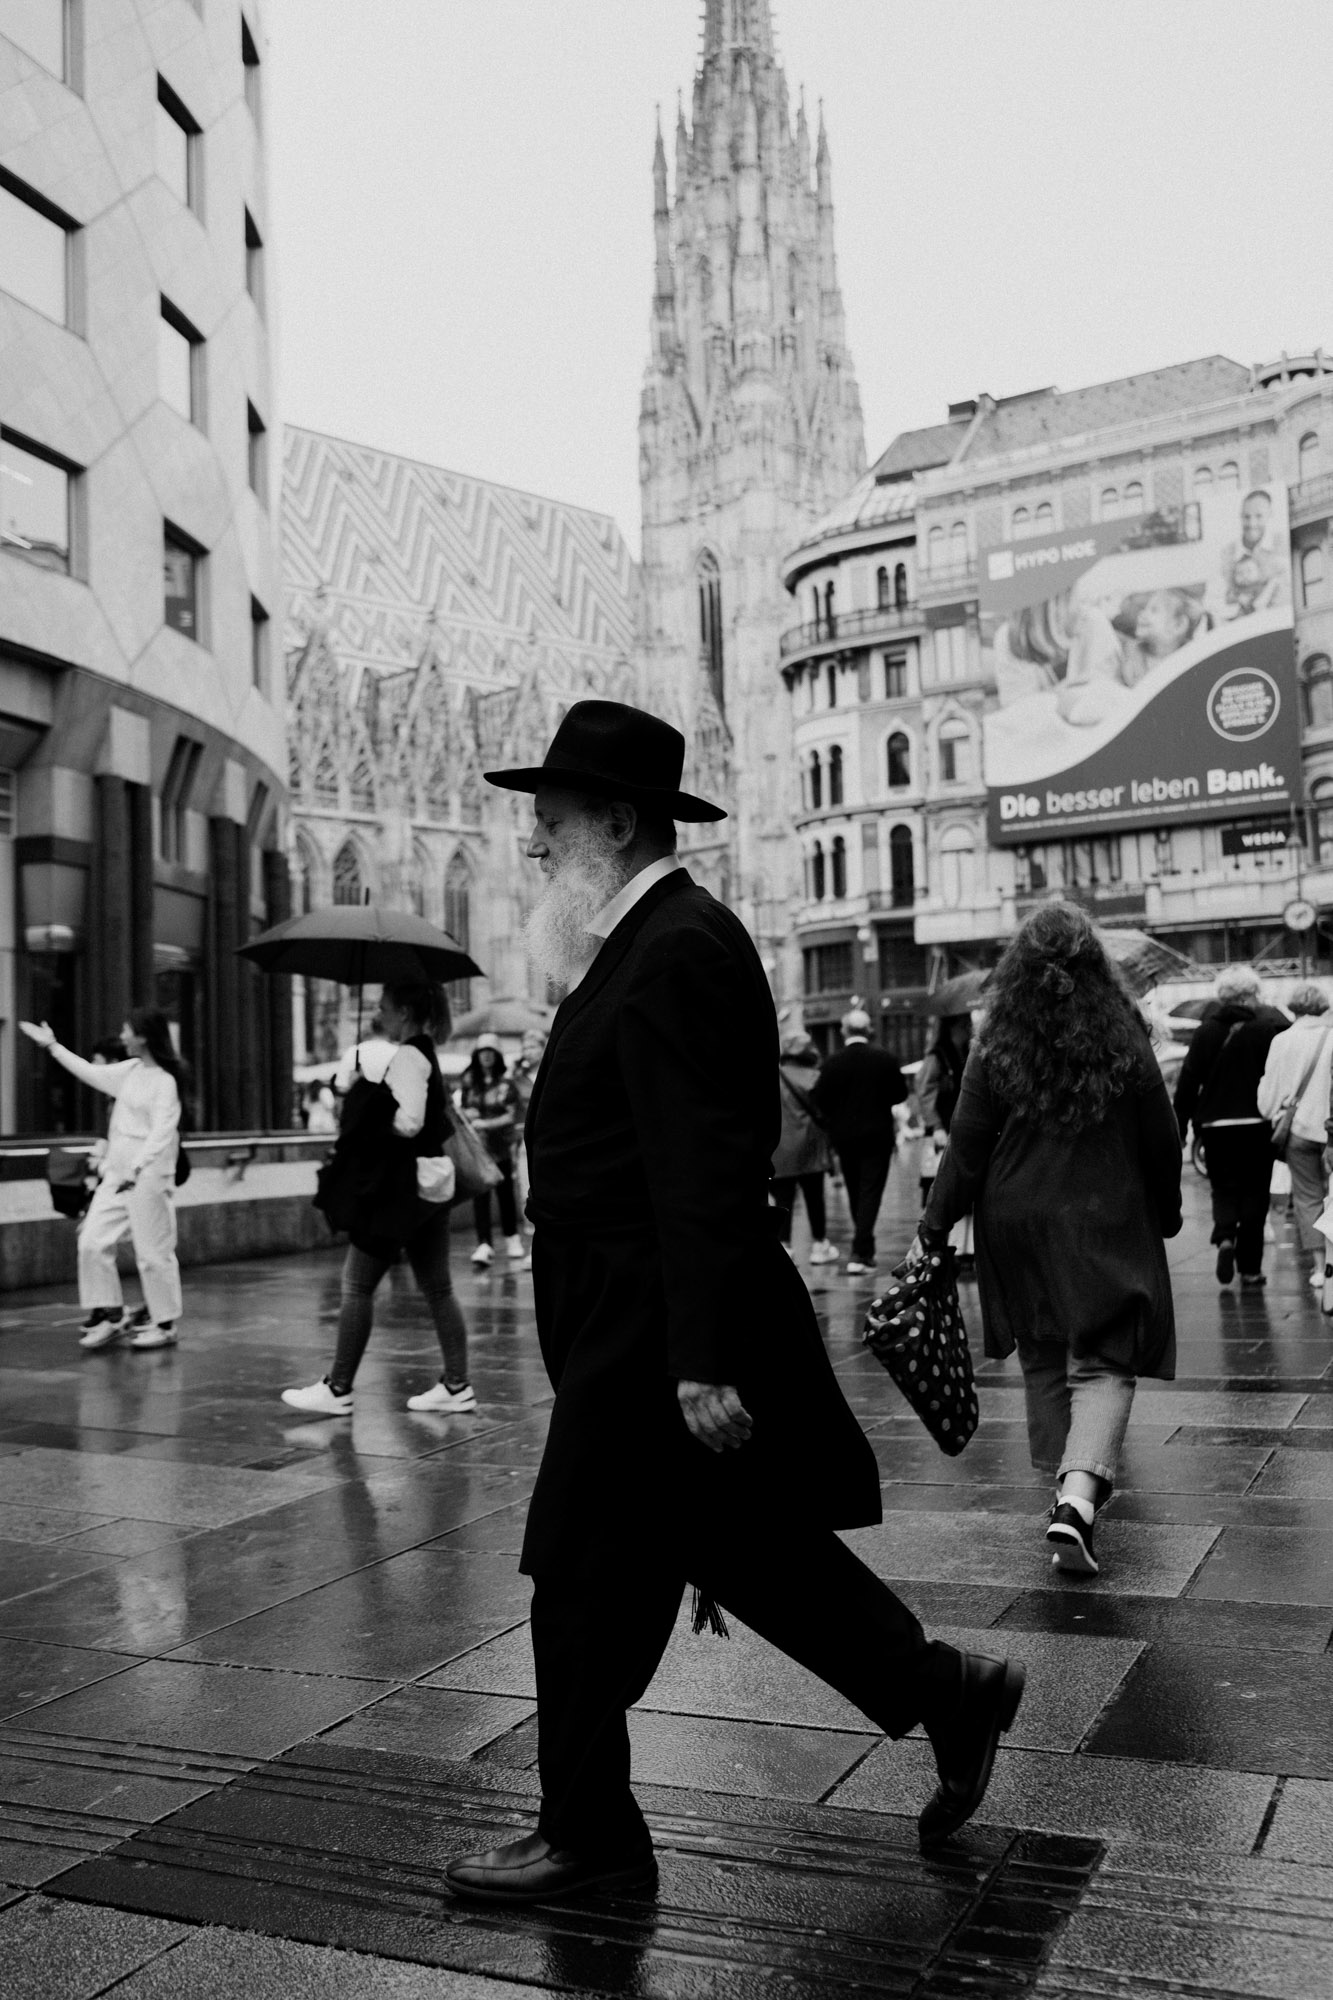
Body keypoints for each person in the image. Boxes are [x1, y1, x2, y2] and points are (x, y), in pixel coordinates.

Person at [443, 699, 1023, 1906]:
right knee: (746, 1550)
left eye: (549, 821)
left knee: (575, 1571)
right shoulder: (643, 940)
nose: (534, 845)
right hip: (636, 1318)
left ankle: (589, 1830)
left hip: (653, 1328)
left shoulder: (676, 945)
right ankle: (945, 1691)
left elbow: (703, 1163)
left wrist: (698, 1359)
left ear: (615, 818)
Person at [921, 904, 1182, 1578]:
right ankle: (1076, 1497)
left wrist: (931, 1227)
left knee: (1041, 1355)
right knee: (1103, 1359)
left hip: (1014, 1219)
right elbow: (1161, 1136)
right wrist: (1170, 1208)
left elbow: (966, 1147)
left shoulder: (995, 1042)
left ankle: (1059, 1493)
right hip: (1104, 1215)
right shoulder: (1124, 1037)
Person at [282, 979, 475, 1417]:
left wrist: (365, 1099)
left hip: (398, 1192)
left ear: (404, 1012)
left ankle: (338, 1388)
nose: (379, 1013)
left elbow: (407, 1122)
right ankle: (457, 1384)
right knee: (439, 1287)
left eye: (385, 1006)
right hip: (429, 1187)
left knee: (356, 1285)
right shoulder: (424, 1051)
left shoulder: (408, 1056)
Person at [20, 1008, 187, 1351]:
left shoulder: (165, 1082)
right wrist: (52, 1046)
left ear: (144, 1036)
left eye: (127, 1031)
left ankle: (165, 1324)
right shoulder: (130, 1071)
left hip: (148, 1176)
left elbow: (161, 1132)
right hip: (118, 1173)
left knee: (153, 1253)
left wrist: (139, 1169)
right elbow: (90, 1072)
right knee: (92, 1241)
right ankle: (112, 1316)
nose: (122, 1037)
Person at [1175, 967, 1286, 1287]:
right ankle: (1250, 1269)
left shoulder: (1205, 1031)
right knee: (1254, 1192)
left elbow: (1188, 1081)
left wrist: (1180, 1127)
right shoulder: (1266, 1030)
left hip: (1215, 1124)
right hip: (1256, 1123)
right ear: (1246, 995)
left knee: (1223, 1187)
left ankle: (1225, 1236)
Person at [811, 1008, 908, 1274]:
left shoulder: (832, 1063)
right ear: (869, 1031)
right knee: (870, 1191)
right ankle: (860, 1250)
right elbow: (900, 1094)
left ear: (844, 1031)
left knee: (856, 1191)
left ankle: (864, 1249)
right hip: (877, 1135)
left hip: (844, 1137)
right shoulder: (885, 1060)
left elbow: (819, 1100)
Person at [1256, 982, 1333, 1291]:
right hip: (1331, 1132)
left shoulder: (1281, 1041)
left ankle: (1319, 1269)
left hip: (1298, 1130)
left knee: (1307, 1198)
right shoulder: (1332, 1037)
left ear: (1294, 1008)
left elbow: (1267, 1097)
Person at [770, 1030, 837, 1264]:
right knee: (815, 1197)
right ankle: (819, 1245)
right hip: (810, 1146)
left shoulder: (772, 1076)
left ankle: (785, 1245)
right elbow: (824, 1111)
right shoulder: (814, 1077)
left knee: (783, 1200)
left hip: (779, 1149)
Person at [461, 1035, 524, 1266]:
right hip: (478, 1148)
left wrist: (486, 1123)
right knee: (481, 1194)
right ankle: (484, 1242)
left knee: (505, 1193)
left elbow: (511, 1114)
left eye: (490, 1051)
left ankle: (511, 1237)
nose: (486, 1056)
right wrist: (470, 1116)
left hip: (501, 1147)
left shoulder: (506, 1084)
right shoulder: (470, 1083)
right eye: (482, 1051)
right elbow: (465, 1109)